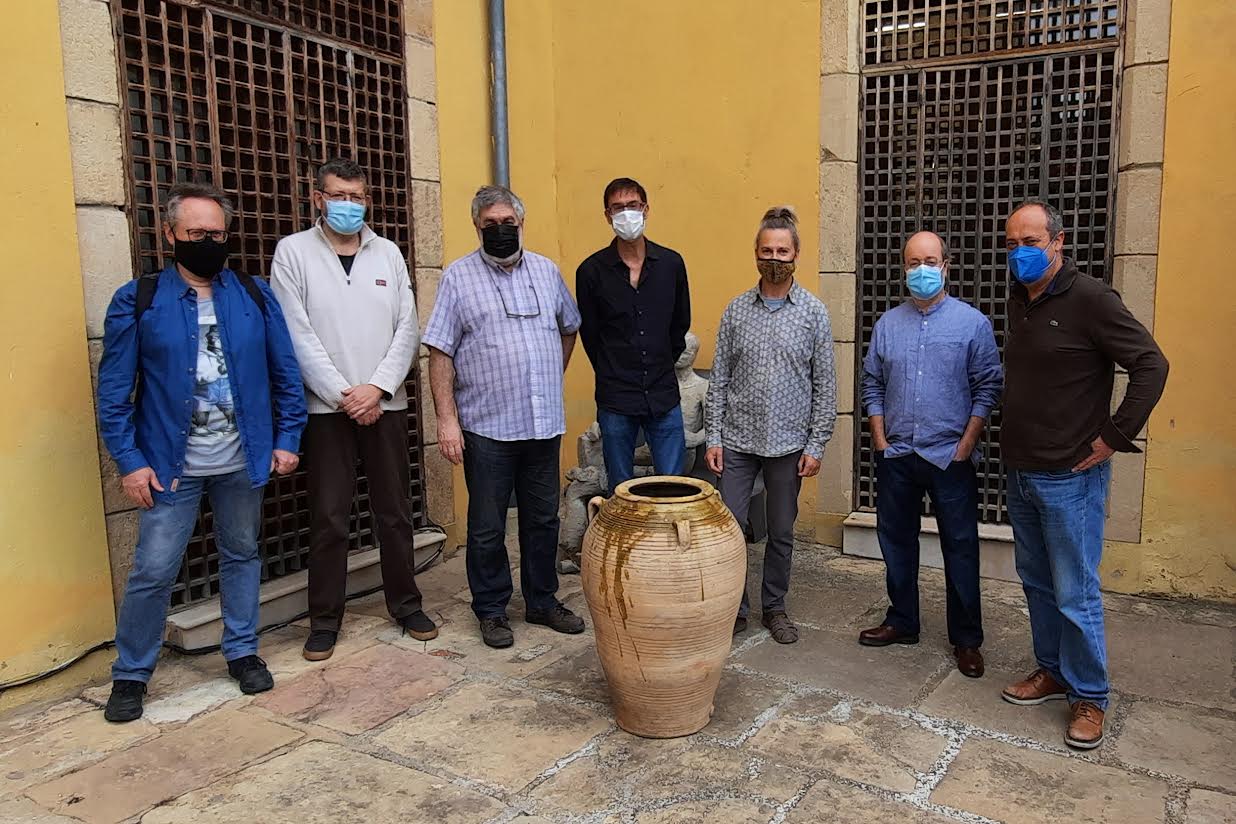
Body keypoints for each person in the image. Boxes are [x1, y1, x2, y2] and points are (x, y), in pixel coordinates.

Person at [97, 182, 307, 722]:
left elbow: (286, 374)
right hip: (170, 467)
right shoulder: (138, 300)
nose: (209, 242)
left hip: (243, 459)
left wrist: (288, 439)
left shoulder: (254, 295)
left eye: (217, 233)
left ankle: (242, 651)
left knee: (242, 555)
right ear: (170, 234)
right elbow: (114, 393)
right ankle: (131, 673)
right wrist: (130, 462)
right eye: (196, 233)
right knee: (153, 570)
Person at [999, 200, 1168, 749]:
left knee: (1076, 591)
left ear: (1058, 241)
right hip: (1023, 470)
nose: (1020, 253)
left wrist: (1114, 436)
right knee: (1037, 582)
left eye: (1030, 242)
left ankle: (1090, 696)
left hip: (1071, 475)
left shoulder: (1092, 299)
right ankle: (1052, 671)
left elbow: (1151, 364)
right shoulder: (1020, 299)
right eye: (1012, 244)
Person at [270, 158, 435, 663]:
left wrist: (378, 388)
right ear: (317, 198)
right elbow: (295, 333)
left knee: (395, 512)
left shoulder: (387, 253)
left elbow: (407, 327)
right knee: (329, 517)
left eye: (357, 196)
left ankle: (406, 605)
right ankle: (324, 620)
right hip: (327, 410)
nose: (349, 204)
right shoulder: (293, 252)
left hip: (386, 405)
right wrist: (344, 393)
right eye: (339, 195)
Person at [423, 185, 587, 649]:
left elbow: (569, 327)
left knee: (543, 520)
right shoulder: (458, 278)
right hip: (486, 427)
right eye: (489, 225)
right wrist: (446, 421)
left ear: (521, 223)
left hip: (541, 423)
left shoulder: (546, 271)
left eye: (507, 223)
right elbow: (439, 352)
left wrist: (548, 375)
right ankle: (492, 609)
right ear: (477, 227)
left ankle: (542, 601)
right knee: (487, 527)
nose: (500, 231)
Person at [858, 231, 1002, 678]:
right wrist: (880, 439)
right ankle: (903, 620)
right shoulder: (888, 325)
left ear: (946, 266)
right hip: (898, 453)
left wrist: (967, 444)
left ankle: (967, 639)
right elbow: (872, 383)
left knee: (960, 547)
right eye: (913, 262)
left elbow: (988, 386)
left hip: (949, 457)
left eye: (930, 261)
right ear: (904, 268)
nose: (922, 269)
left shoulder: (972, 323)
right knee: (896, 542)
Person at [705, 207, 837, 644]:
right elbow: (719, 379)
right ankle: (735, 608)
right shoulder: (736, 311)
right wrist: (714, 437)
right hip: (737, 441)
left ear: (796, 253)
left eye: (782, 251)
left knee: (781, 531)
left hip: (788, 444)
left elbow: (825, 385)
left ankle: (774, 607)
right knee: (730, 529)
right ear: (755, 254)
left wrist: (816, 444)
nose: (774, 258)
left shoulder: (813, 313)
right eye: (767, 251)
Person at [576, 177, 691, 492]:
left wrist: (661, 362)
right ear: (607, 215)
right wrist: (614, 369)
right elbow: (591, 335)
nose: (626, 213)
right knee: (620, 490)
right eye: (618, 208)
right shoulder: (591, 272)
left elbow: (680, 324)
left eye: (633, 205)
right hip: (616, 397)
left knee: (673, 488)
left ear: (646, 209)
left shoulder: (671, 264)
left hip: (663, 393)